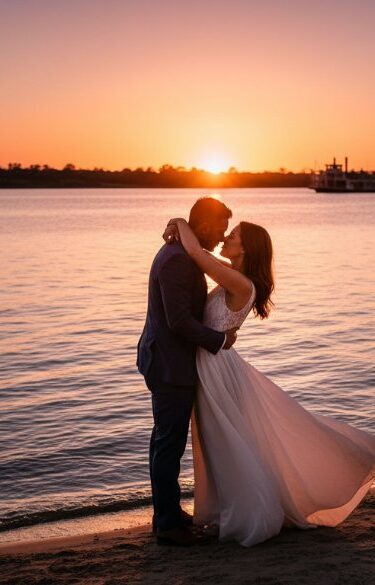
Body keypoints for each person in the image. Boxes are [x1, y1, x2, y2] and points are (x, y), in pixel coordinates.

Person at [161, 215, 375, 547]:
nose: (226, 236)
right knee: (222, 442)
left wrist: (180, 221)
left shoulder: (242, 283)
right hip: (214, 364)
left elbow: (197, 254)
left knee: (225, 441)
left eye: (234, 235)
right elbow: (204, 262)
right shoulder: (234, 277)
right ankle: (231, 508)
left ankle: (249, 513)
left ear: (246, 248)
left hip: (216, 369)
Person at [136, 196, 238, 546]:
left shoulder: (185, 252)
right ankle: (166, 523)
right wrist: (220, 339)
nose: (222, 236)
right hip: (169, 363)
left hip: (169, 359)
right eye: (221, 227)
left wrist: (178, 221)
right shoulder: (177, 260)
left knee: (165, 440)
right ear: (205, 225)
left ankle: (169, 511)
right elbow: (179, 321)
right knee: (168, 442)